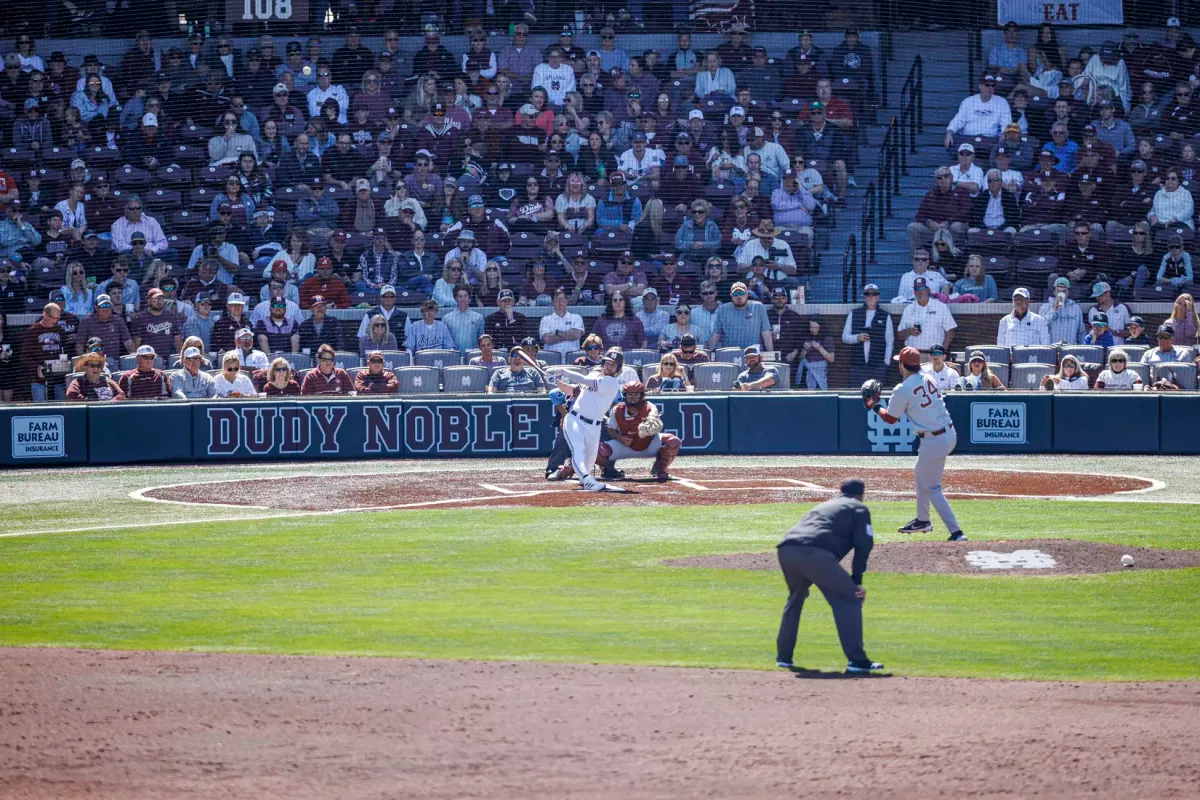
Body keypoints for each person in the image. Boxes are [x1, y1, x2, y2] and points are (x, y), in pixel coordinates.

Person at [774, 477, 883, 673]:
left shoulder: (826, 505)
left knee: (796, 598)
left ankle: (783, 657)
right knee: (849, 598)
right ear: (861, 494)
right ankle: (857, 662)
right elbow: (863, 546)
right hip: (814, 553)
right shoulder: (858, 508)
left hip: (786, 550)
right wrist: (856, 582)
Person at [864, 347, 966, 541]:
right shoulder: (929, 378)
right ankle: (922, 520)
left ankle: (956, 532)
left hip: (933, 439)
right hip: (948, 432)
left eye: (899, 363)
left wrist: (874, 406)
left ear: (903, 365)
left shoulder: (902, 388)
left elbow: (891, 419)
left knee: (932, 487)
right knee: (919, 472)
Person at [553, 347, 628, 493]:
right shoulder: (595, 377)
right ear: (602, 364)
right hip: (575, 419)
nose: (608, 367)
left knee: (589, 460)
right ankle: (587, 479)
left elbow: (582, 379)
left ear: (618, 369)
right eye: (607, 363)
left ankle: (584, 477)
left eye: (613, 365)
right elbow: (572, 391)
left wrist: (564, 371)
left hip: (594, 426)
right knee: (578, 450)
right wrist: (557, 381)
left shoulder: (611, 383)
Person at [841, 283, 894, 388]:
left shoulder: (885, 316)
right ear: (864, 297)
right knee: (856, 397)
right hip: (857, 366)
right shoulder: (854, 313)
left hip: (878, 366)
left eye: (873, 294)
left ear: (878, 297)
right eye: (867, 294)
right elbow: (844, 337)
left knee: (877, 397)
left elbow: (890, 342)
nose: (870, 296)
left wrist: (886, 363)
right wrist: (857, 338)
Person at [907, 168, 969, 252]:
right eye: (939, 177)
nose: (943, 179)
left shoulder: (961, 191)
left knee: (956, 226)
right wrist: (929, 222)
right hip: (935, 229)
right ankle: (919, 257)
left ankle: (957, 255)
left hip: (952, 226)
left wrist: (948, 222)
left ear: (951, 178)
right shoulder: (930, 194)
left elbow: (966, 211)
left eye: (946, 176)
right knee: (912, 227)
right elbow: (919, 215)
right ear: (936, 181)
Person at [897, 278, 957, 352]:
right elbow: (900, 335)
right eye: (916, 288)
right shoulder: (908, 309)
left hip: (933, 355)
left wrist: (942, 351)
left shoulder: (941, 307)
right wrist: (909, 331)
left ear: (928, 290)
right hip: (912, 354)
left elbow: (950, 331)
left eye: (922, 288)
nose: (919, 291)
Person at [1038, 277, 1086, 344]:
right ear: (1054, 292)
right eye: (1058, 291)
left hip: (1071, 349)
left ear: (1068, 292)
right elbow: (1040, 327)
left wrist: (1082, 348)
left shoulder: (1076, 309)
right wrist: (1053, 309)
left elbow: (1081, 332)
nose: (1061, 294)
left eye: (1064, 291)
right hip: (1052, 349)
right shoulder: (1044, 307)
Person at [539, 289, 584, 358]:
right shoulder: (545, 320)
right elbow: (547, 339)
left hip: (573, 360)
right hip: (551, 360)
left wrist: (557, 333)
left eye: (563, 299)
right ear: (552, 302)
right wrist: (569, 335)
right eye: (557, 299)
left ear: (566, 301)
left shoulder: (576, 317)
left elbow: (577, 335)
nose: (561, 302)